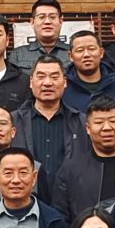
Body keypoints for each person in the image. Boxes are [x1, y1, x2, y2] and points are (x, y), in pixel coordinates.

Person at [13, 58, 81, 192]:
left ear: (65, 82)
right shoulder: (13, 121)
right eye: (41, 77)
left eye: (54, 77)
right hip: (26, 197)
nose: (48, 83)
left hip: (71, 197)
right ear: (31, 82)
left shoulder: (80, 122)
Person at [52, 99, 115, 216]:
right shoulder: (71, 169)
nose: (107, 127)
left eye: (113, 121)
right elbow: (60, 215)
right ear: (88, 128)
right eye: (99, 122)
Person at [63, 30, 115, 116]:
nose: (86, 55)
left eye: (91, 49)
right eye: (80, 50)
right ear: (70, 56)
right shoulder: (62, 90)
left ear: (101, 52)